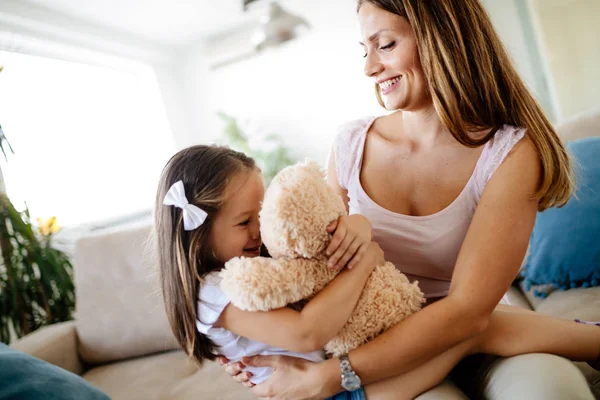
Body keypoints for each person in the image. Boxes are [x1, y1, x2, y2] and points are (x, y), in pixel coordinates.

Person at [218, 0, 600, 399]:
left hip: (479, 334)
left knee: (550, 392)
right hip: (385, 354)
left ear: (442, 38)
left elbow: (469, 313)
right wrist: (251, 346)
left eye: (385, 45)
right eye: (365, 50)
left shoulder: (508, 152)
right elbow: (313, 276)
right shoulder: (351, 146)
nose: (369, 68)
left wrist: (333, 376)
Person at [154, 146, 599, 400]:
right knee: (471, 327)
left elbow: (320, 253)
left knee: (471, 325)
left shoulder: (252, 262)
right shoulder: (214, 292)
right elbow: (309, 333)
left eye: (262, 214)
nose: (259, 232)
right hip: (338, 396)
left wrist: (359, 227)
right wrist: (365, 258)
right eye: (244, 222)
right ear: (196, 234)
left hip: (346, 380)